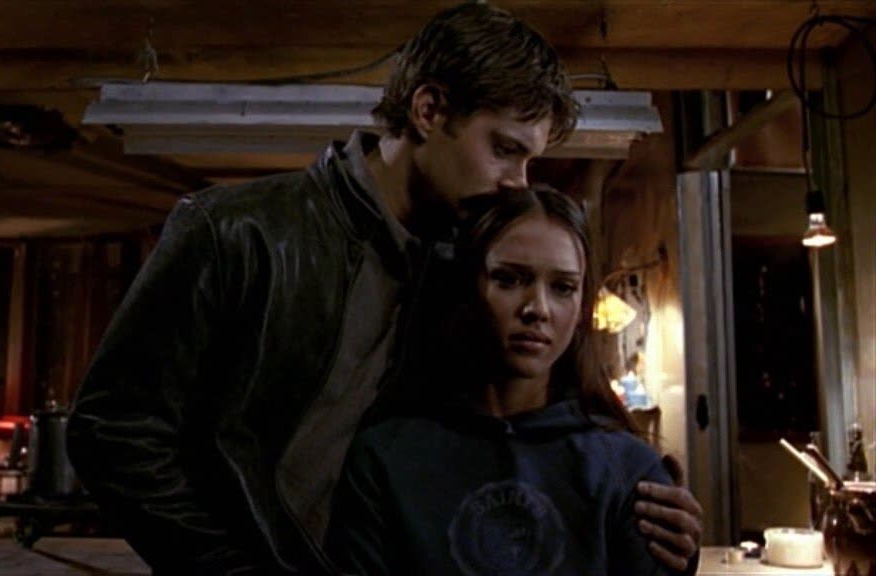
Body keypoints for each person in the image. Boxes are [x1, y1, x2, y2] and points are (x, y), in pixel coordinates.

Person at [66, 3, 702, 574]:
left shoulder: (461, 268)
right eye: (504, 149)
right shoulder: (237, 232)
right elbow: (112, 431)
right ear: (428, 111)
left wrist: (647, 511)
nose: (518, 180)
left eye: (529, 159)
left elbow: (523, 417)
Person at [327, 185, 686, 575]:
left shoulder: (627, 471)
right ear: (467, 287)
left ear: (582, 306)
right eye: (509, 279)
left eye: (563, 287)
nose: (538, 309)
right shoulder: (386, 459)